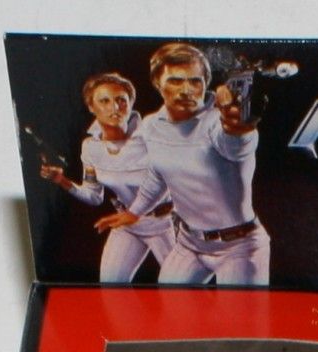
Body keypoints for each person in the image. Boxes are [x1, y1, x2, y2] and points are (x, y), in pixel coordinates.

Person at [116, 43, 270, 287]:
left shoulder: (217, 121)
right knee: (169, 305)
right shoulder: (151, 125)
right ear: (157, 82)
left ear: (206, 83)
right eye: (175, 81)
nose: (186, 90)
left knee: (237, 313)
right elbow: (158, 176)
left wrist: (240, 128)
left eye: (195, 81)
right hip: (189, 244)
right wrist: (134, 212)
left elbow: (237, 147)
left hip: (240, 247)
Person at [36, 72, 175, 284]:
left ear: (131, 103)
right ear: (91, 107)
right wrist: (61, 180)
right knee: (111, 287)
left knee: (182, 290)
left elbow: (167, 182)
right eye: (104, 101)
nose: (115, 107)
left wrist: (134, 213)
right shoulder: (90, 147)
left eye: (121, 100)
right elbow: (94, 196)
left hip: (165, 224)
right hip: (126, 225)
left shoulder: (152, 137)